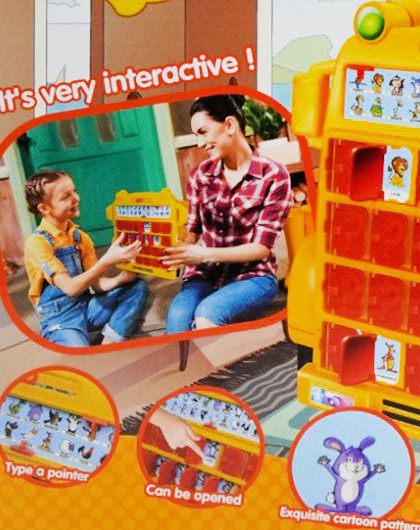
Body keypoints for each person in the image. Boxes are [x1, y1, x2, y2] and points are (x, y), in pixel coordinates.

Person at [162, 95, 292, 333]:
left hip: (253, 276)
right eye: (196, 135)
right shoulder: (200, 176)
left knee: (207, 313)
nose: (200, 143)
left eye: (203, 132)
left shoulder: (274, 176)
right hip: (204, 275)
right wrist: (169, 248)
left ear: (230, 125)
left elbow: (261, 248)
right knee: (177, 319)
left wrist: (202, 254)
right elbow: (193, 230)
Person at [23, 170, 149, 347]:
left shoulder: (80, 237)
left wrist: (120, 279)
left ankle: (110, 341)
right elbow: (71, 288)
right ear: (44, 208)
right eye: (65, 197)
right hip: (60, 318)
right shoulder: (37, 243)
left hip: (87, 307)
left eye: (74, 191)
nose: (75, 198)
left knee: (137, 287)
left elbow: (96, 284)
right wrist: (107, 260)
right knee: (79, 352)